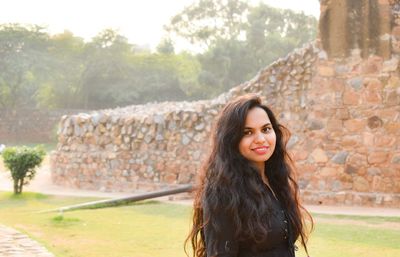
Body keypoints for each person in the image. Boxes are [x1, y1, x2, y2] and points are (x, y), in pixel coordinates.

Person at [185, 94, 313, 257]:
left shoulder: (276, 182)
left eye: (266, 129)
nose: (260, 139)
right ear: (232, 140)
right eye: (247, 132)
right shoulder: (222, 192)